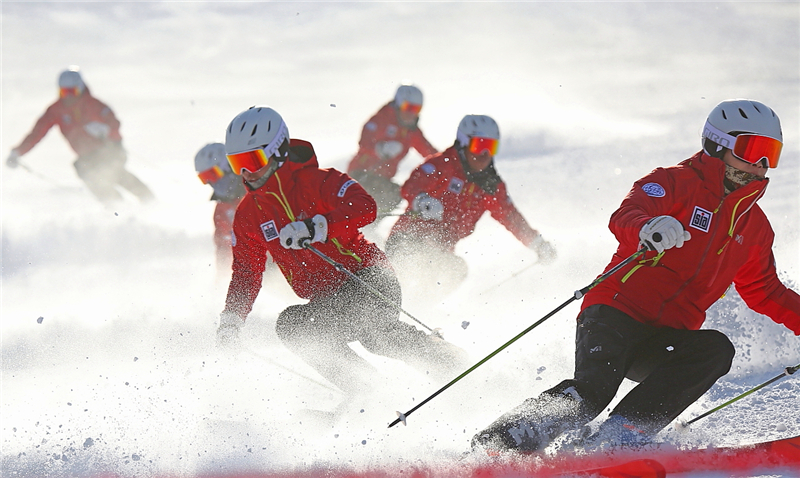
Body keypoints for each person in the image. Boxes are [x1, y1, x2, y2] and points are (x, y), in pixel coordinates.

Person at [472, 99, 800, 454]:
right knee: (593, 392)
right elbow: (627, 214)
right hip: (615, 312)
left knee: (715, 349)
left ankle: (622, 435)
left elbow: (765, 291)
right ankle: (500, 441)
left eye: (772, 154)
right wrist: (650, 226)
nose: (762, 165)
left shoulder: (754, 228)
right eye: (753, 150)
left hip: (665, 337)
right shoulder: (674, 183)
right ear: (718, 144)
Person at [217, 106, 469, 397]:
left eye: (252, 160)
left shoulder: (319, 181)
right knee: (294, 325)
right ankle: (369, 393)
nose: (246, 173)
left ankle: (453, 367)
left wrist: (316, 226)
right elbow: (247, 271)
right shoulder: (250, 214)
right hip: (328, 300)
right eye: (237, 165)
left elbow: (365, 207)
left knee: (376, 334)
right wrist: (232, 320)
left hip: (369, 278)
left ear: (278, 151)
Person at [385, 114, 556, 297]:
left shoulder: (489, 185)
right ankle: (389, 298)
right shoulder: (443, 164)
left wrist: (536, 243)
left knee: (456, 269)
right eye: (479, 145)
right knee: (413, 263)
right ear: (464, 143)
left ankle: (423, 309)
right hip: (407, 239)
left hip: (439, 252)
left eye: (491, 147)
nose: (484, 154)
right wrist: (422, 200)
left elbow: (510, 216)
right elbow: (412, 184)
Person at [5, 66, 153, 204]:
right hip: (87, 156)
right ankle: (115, 206)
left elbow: (114, 124)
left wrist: (106, 130)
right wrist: (18, 152)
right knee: (86, 171)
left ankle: (147, 199)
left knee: (111, 171)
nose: (69, 97)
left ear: (81, 88)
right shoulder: (57, 110)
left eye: (72, 92)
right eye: (64, 93)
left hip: (110, 148)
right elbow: (37, 132)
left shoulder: (94, 105)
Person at [346, 83, 438, 216]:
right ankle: (364, 219)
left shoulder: (411, 131)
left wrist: (448, 162)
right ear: (399, 104)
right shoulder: (382, 119)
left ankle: (370, 224)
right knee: (386, 193)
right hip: (361, 173)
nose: (410, 113)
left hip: (383, 179)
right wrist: (380, 149)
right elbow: (364, 142)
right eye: (407, 107)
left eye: (416, 109)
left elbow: (428, 151)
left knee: (394, 194)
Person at [195, 142, 247, 274]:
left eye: (213, 174)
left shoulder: (254, 191)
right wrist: (221, 281)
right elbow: (223, 249)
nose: (212, 182)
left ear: (228, 167)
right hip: (253, 269)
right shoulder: (221, 211)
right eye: (205, 178)